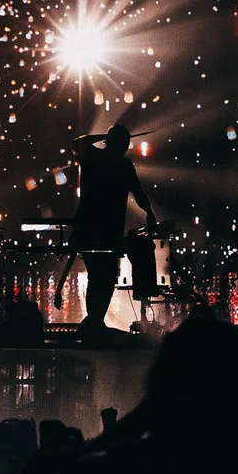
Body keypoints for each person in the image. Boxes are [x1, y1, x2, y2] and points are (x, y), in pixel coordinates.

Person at [72, 121, 153, 341]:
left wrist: (149, 212)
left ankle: (95, 321)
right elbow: (138, 193)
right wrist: (149, 213)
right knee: (102, 277)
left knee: (101, 277)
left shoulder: (99, 159)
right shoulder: (103, 160)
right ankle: (94, 322)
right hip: (98, 230)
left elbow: (139, 193)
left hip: (97, 230)